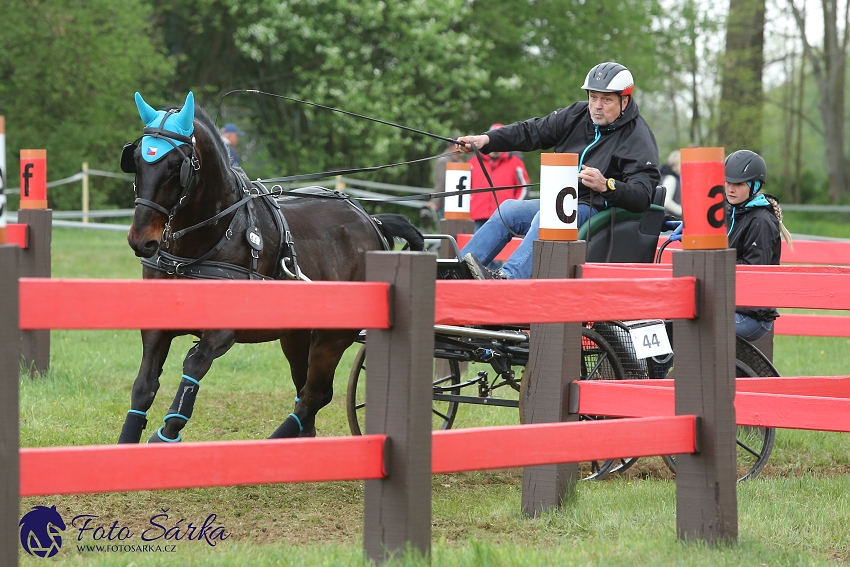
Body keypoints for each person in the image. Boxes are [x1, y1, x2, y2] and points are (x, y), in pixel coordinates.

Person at [455, 61, 660, 280]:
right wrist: (486, 140)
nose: (597, 106)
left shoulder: (638, 137)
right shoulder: (577, 115)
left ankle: (508, 279)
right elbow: (531, 131)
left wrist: (607, 185)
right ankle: (456, 272)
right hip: (561, 204)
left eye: (606, 99)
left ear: (625, 101)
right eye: (593, 97)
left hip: (598, 212)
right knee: (509, 210)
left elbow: (643, 195)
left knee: (550, 217)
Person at [725, 149, 794, 341]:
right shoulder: (732, 213)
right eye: (728, 182)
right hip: (732, 304)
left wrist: (717, 264)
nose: (731, 188)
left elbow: (754, 271)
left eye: (738, 184)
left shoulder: (761, 221)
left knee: (697, 331)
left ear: (754, 186)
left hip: (752, 315)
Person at [469, 123, 530, 232]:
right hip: (478, 215)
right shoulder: (473, 161)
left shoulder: (516, 162)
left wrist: (514, 208)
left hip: (504, 217)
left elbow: (524, 188)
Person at [425, 135, 465, 220]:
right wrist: (435, 201)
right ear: (455, 146)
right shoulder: (443, 161)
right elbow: (441, 182)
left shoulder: (460, 162)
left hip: (458, 205)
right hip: (445, 204)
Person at [660, 149, 682, 217]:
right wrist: (682, 211)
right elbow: (666, 202)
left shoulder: (669, 177)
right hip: (672, 221)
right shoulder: (671, 179)